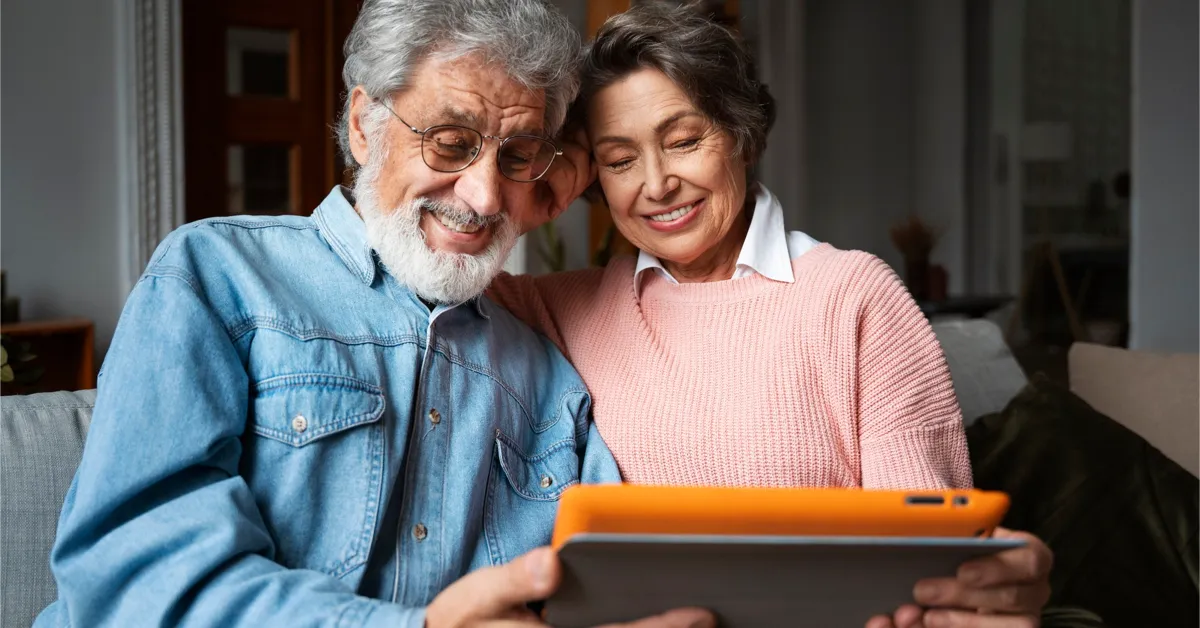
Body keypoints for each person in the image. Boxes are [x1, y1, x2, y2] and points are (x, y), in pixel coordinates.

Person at [33, 1, 709, 627]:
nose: (484, 196)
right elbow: (132, 576)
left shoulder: (552, 384)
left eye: (517, 156)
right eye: (450, 142)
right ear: (364, 125)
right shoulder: (219, 276)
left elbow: (603, 594)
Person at [486, 3, 1054, 627]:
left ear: (742, 135)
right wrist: (533, 193)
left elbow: (930, 562)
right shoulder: (559, 308)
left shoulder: (855, 297)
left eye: (683, 141)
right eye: (619, 160)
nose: (657, 183)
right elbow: (431, 287)